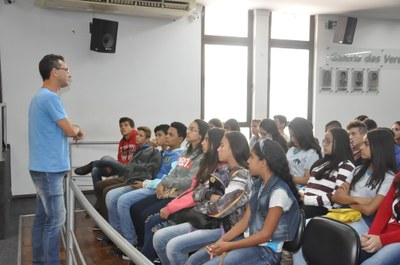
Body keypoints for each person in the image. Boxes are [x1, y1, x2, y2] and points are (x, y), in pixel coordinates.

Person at [187, 139, 301, 265]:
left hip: (266, 251)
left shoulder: (278, 192)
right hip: (249, 240)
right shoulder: (258, 184)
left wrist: (229, 246)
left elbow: (265, 235)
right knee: (194, 260)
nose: (248, 161)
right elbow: (245, 222)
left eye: (252, 157)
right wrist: (222, 241)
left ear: (263, 162)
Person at [153, 131, 252, 265]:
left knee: (174, 247)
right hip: (208, 222)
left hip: (226, 228)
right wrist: (211, 196)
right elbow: (197, 192)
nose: (218, 148)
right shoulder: (224, 170)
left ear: (233, 149)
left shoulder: (242, 176)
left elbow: (219, 209)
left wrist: (209, 200)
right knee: (159, 238)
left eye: (222, 146)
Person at [29, 54, 84, 265]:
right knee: (56, 221)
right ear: (55, 71)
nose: (69, 74)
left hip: (44, 168)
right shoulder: (50, 97)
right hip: (48, 170)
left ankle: (40, 262)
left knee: (44, 220)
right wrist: (77, 130)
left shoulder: (40, 96)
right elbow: (70, 130)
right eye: (66, 69)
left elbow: (58, 132)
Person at [139, 127, 226, 262]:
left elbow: (195, 193)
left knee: (161, 234)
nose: (203, 142)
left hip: (207, 220)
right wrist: (169, 195)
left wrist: (171, 207)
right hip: (194, 211)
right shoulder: (205, 163)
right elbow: (193, 189)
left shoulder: (220, 170)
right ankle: (144, 257)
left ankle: (143, 259)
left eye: (207, 140)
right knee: (150, 220)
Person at [125, 120, 209, 257]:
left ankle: (148, 256)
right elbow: (175, 172)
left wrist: (165, 183)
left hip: (179, 195)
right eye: (189, 128)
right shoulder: (186, 152)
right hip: (169, 191)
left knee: (149, 217)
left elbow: (188, 182)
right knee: (136, 208)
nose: (188, 131)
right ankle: (142, 248)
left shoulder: (201, 157)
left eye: (192, 129)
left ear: (201, 135)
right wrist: (164, 183)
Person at [104, 122, 186, 252]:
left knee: (123, 201)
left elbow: (167, 180)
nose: (158, 138)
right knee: (111, 195)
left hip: (154, 186)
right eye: (159, 135)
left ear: (180, 139)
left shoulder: (178, 156)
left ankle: (130, 242)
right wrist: (150, 147)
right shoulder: (164, 152)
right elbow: (140, 157)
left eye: (168, 135)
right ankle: (117, 236)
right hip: (148, 182)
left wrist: (145, 183)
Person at [88, 126, 162, 222]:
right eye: (137, 135)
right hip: (128, 173)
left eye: (140, 136)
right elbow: (127, 161)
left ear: (147, 139)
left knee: (106, 160)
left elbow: (147, 169)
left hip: (135, 176)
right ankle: (100, 211)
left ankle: (92, 164)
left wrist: (131, 168)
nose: (137, 137)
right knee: (99, 180)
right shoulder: (139, 148)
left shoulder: (152, 150)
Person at [332, 128, 397, 235]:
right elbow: (335, 197)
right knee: (313, 225)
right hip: (345, 215)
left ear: (379, 148)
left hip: (365, 222)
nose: (361, 147)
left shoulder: (389, 178)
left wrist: (347, 202)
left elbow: (369, 210)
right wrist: (359, 199)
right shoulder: (357, 170)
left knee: (335, 235)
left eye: (366, 144)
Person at [301, 128, 355, 219]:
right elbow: (310, 186)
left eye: (328, 141)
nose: (324, 145)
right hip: (308, 204)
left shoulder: (346, 165)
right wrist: (300, 194)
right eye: (324, 141)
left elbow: (337, 197)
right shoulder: (321, 163)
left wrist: (307, 199)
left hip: (323, 209)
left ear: (339, 144)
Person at [74, 117, 139, 186]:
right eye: (121, 126)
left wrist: (116, 174)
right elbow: (120, 158)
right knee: (95, 170)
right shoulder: (121, 142)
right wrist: (112, 166)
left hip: (131, 169)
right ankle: (99, 195)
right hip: (121, 168)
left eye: (126, 125)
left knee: (106, 158)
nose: (123, 127)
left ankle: (93, 164)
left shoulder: (137, 137)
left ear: (132, 128)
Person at [358, 174, 400, 265]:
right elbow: (385, 209)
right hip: (384, 234)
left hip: (395, 239)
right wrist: (372, 235)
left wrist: (382, 240)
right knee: (349, 251)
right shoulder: (398, 177)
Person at [286, 117, 321, 188]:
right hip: (288, 187)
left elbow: (308, 179)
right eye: (291, 135)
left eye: (294, 136)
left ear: (303, 134)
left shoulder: (311, 153)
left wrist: (287, 178)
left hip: (299, 192)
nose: (292, 139)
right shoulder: (291, 150)